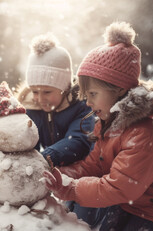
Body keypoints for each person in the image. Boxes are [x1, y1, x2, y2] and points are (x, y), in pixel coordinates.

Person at [42, 22, 153, 231]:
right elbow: (95, 165)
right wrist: (62, 176)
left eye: (92, 94)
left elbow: (121, 186)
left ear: (118, 89)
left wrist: (71, 188)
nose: (86, 102)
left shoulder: (145, 131)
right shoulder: (111, 121)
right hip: (130, 201)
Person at [16, 33, 95, 167]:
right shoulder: (31, 108)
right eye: (35, 91)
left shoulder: (82, 105)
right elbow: (27, 142)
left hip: (80, 168)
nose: (40, 99)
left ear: (64, 88)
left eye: (47, 92)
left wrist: (48, 156)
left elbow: (79, 140)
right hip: (51, 165)